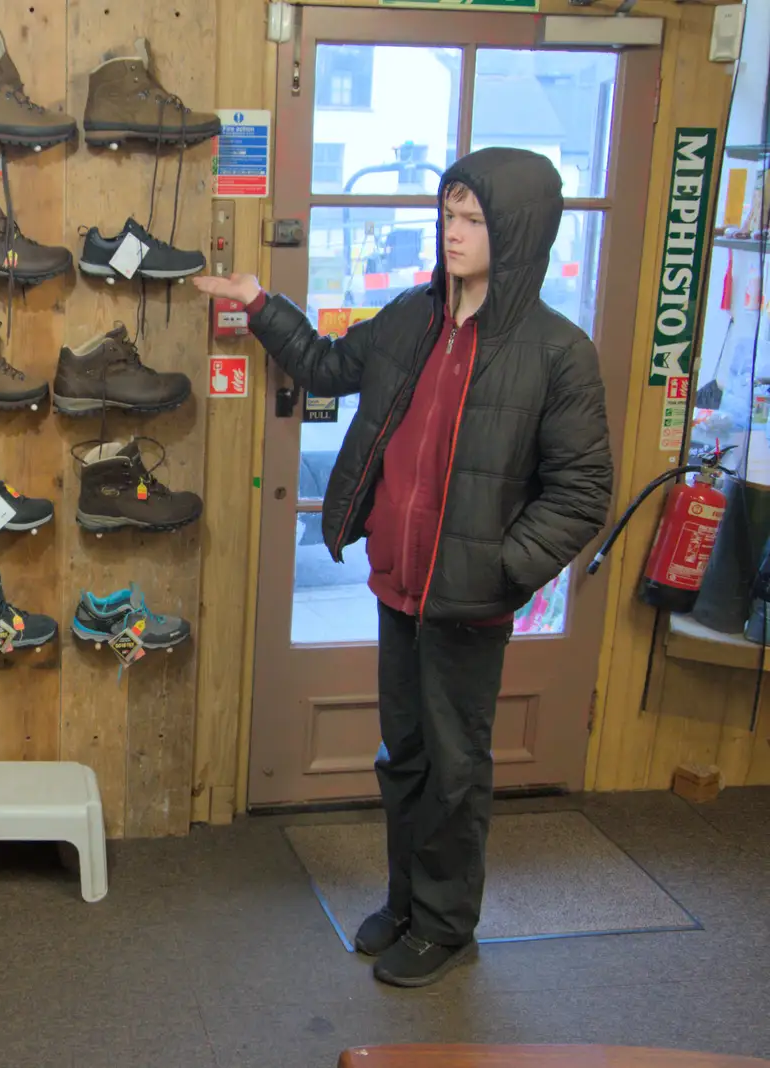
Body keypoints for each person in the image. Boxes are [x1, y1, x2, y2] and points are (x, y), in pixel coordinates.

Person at [194, 147, 612, 988]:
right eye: (448, 216)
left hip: (472, 604)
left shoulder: (558, 353)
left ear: (517, 232)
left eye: (473, 221)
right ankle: (406, 902)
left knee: (457, 771)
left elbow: (583, 491)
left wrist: (503, 570)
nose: (453, 234)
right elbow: (323, 365)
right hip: (398, 589)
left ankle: (448, 925)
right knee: (408, 757)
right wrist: (259, 304)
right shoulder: (414, 318)